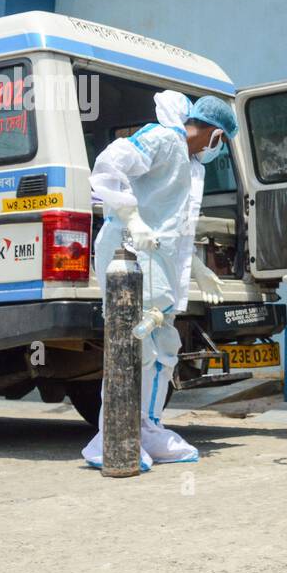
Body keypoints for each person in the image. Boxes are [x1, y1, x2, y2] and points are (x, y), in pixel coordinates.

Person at [81, 92, 239, 470]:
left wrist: (198, 268)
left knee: (163, 346)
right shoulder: (162, 139)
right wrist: (132, 219)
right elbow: (106, 167)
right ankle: (111, 435)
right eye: (222, 142)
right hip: (129, 253)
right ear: (216, 136)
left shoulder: (190, 165)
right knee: (133, 343)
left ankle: (148, 427)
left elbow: (175, 225)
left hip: (159, 261)